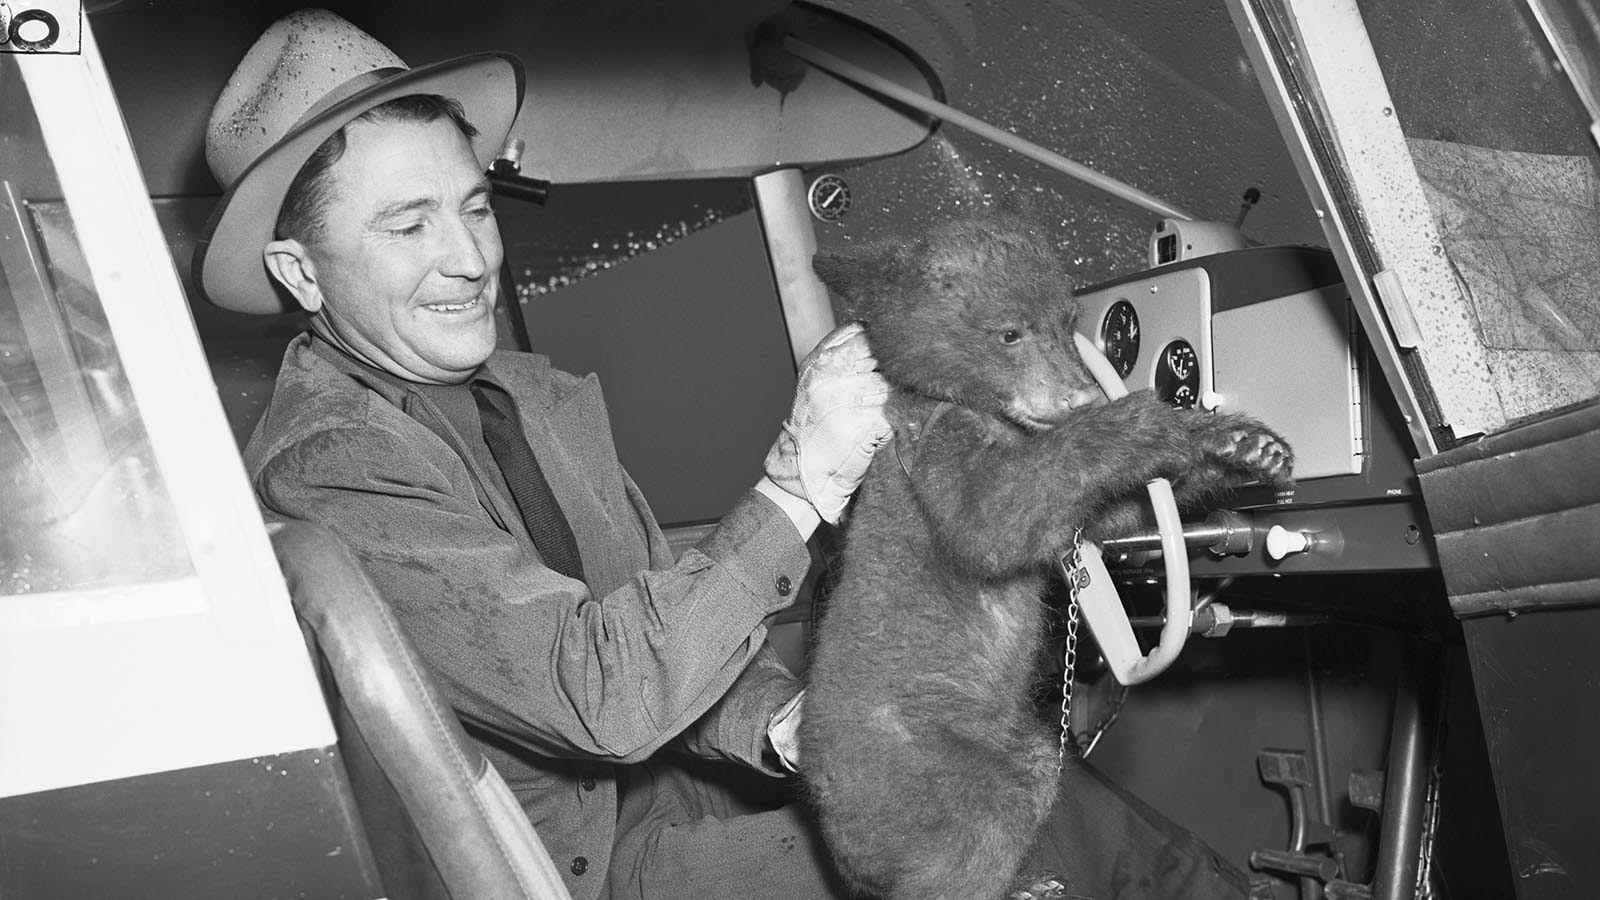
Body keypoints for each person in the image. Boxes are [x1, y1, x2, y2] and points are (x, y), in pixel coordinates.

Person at [196, 10, 1252, 900]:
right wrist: (797, 482)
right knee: (1035, 839)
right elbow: (602, 700)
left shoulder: (525, 396)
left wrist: (797, 728)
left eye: (474, 206)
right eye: (407, 225)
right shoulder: (331, 464)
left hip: (661, 791)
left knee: (1027, 792)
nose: (470, 257)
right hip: (585, 864)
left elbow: (666, 617)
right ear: (300, 270)